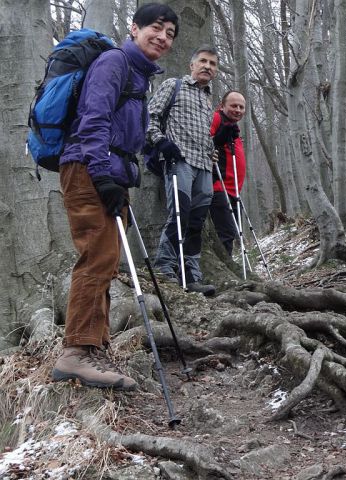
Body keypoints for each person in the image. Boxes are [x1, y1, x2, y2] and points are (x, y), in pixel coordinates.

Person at [52, 3, 179, 390]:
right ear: (134, 28)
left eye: (170, 33)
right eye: (156, 28)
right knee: (99, 256)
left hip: (109, 173)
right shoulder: (114, 62)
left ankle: (94, 345)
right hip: (89, 169)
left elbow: (125, 133)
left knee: (107, 259)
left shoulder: (139, 75)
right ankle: (75, 354)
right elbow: (93, 119)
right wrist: (102, 174)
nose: (162, 37)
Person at [148, 46, 219, 296]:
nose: (207, 67)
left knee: (197, 221)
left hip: (204, 166)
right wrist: (161, 142)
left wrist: (212, 151)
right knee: (180, 214)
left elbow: (205, 134)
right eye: (203, 61)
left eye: (212, 64)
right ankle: (165, 269)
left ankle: (191, 275)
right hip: (180, 161)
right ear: (192, 65)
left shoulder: (208, 100)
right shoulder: (173, 85)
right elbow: (151, 116)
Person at [208, 91, 247, 257]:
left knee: (230, 233)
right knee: (226, 233)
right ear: (222, 106)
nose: (237, 110)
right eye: (233, 106)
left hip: (232, 191)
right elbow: (206, 141)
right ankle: (226, 264)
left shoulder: (233, 127)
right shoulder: (217, 118)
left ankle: (228, 264)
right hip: (218, 187)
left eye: (241, 107)